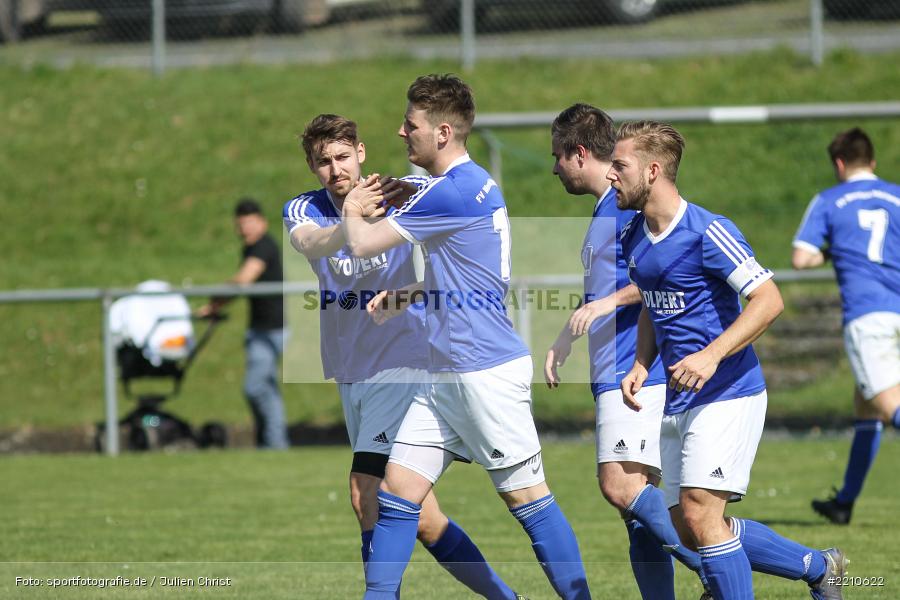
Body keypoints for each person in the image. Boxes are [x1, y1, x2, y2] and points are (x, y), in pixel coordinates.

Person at [343, 74, 591, 600]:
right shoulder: (470, 183)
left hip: (482, 372)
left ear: (442, 132)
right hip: (444, 374)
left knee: (528, 500)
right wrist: (411, 293)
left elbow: (363, 244)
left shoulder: (450, 191)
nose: (401, 131)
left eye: (411, 124)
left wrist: (351, 207)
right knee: (396, 493)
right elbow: (467, 270)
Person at [283, 113, 522, 599]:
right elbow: (312, 242)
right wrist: (350, 218)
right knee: (425, 520)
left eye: (343, 157)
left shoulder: (402, 191)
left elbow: (460, 231)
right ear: (312, 166)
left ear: (362, 152)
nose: (335, 169)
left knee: (363, 490)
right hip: (352, 369)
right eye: (323, 161)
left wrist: (413, 292)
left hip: (404, 361)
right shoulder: (304, 209)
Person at [613, 120, 846, 599]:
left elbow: (769, 300)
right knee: (686, 528)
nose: (610, 174)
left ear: (653, 170)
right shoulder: (634, 236)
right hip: (680, 399)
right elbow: (655, 307)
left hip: (729, 391)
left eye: (620, 165)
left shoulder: (708, 231)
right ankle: (820, 569)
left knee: (700, 513)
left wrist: (711, 356)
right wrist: (641, 363)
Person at [544, 103, 708, 600]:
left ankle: (719, 564)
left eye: (557, 156)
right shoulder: (605, 213)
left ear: (577, 154)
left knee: (618, 486)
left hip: (634, 370)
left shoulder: (625, 211)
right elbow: (611, 286)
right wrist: (566, 336)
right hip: (612, 370)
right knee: (634, 511)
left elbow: (662, 273)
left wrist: (606, 306)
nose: (553, 168)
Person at [792, 127, 900, 525]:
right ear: (872, 160)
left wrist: (831, 250)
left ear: (839, 163)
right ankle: (844, 503)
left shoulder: (829, 200)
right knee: (867, 407)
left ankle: (845, 503)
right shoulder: (897, 194)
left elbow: (802, 258)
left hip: (869, 315)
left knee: (891, 407)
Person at [198, 199, 289, 449]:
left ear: (262, 222)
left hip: (272, 330)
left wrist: (216, 302)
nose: (244, 229)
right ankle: (271, 443)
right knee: (265, 387)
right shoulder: (251, 247)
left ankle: (274, 444)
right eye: (240, 225)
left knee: (257, 387)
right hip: (260, 328)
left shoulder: (263, 246)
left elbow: (243, 280)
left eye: (248, 223)